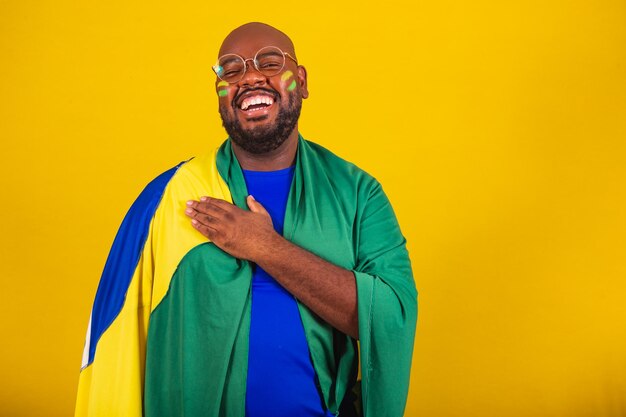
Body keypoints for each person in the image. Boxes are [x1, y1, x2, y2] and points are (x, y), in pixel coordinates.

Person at [75, 22, 417, 417]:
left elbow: (389, 315)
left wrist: (266, 247)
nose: (251, 76)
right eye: (231, 70)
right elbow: (114, 336)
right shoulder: (169, 196)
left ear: (301, 81)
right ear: (220, 93)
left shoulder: (356, 193)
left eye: (270, 62)